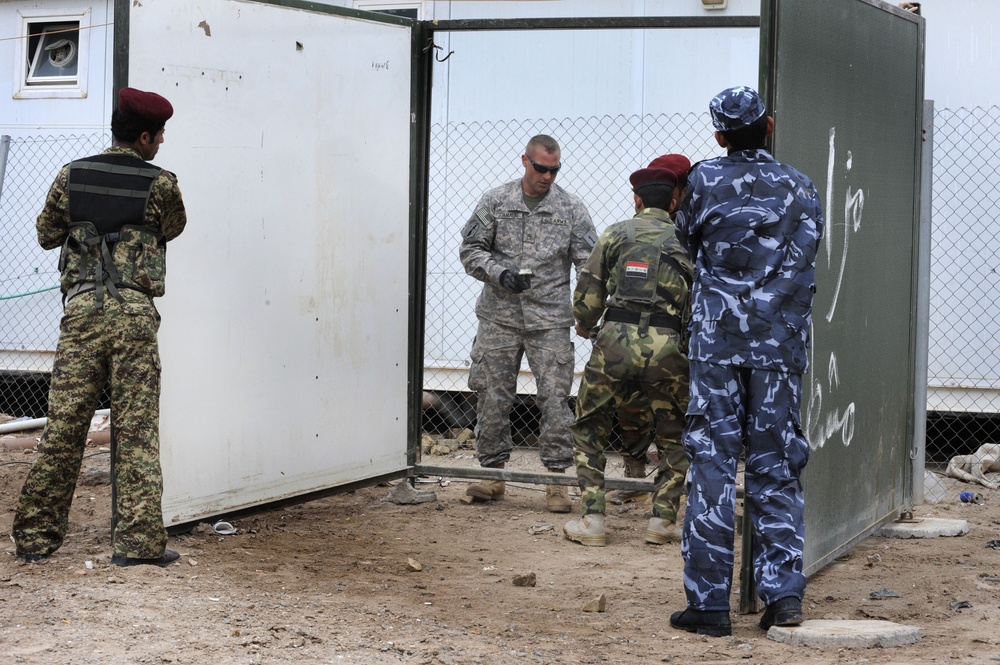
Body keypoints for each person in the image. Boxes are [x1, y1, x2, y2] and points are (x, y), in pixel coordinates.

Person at [668, 86, 824, 636]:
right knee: (776, 466)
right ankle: (782, 597)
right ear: (770, 126)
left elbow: (685, 241)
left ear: (718, 135)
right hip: (778, 348)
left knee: (712, 462)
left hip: (717, 346)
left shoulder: (704, 181)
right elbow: (807, 253)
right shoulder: (801, 187)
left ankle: (709, 605)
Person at [12, 87, 187, 567]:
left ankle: (34, 540)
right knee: (136, 431)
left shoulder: (72, 175)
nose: (162, 144)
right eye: (160, 136)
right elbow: (173, 228)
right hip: (132, 316)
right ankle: (137, 546)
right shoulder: (162, 183)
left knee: (65, 428)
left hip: (83, 314)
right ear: (145, 136)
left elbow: (48, 235)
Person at [459, 134, 597, 513]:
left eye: (554, 170)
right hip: (499, 318)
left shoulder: (571, 208)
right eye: (541, 168)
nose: (547, 176)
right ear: (525, 161)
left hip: (549, 320)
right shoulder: (496, 201)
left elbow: (589, 263)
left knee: (555, 398)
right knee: (492, 394)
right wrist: (499, 273)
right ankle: (492, 475)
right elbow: (470, 249)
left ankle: (555, 483)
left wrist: (588, 310)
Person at [563, 156, 693, 547]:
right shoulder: (690, 240)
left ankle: (592, 521)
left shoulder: (616, 234)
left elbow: (588, 295)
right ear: (674, 202)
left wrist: (588, 327)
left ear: (637, 200)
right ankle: (663, 521)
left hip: (615, 341)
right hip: (668, 346)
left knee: (590, 427)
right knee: (674, 434)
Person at [607, 154, 693, 506]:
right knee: (630, 404)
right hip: (637, 334)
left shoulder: (692, 226)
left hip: (679, 332)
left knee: (675, 414)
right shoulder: (637, 229)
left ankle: (672, 490)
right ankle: (635, 478)